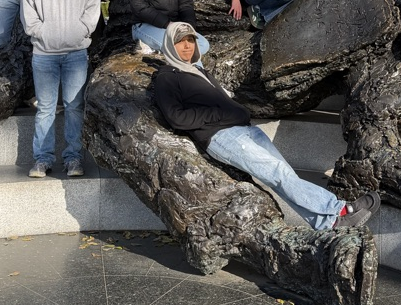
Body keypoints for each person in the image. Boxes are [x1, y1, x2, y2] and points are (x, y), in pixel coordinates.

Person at [154, 23, 380, 230]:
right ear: (169, 45)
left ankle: (328, 224)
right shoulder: (167, 77)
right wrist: (220, 113)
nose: (186, 46)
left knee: (285, 175)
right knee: (278, 173)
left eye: (190, 40)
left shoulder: (197, 71)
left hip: (244, 129)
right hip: (221, 135)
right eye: (180, 41)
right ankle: (338, 209)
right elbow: (176, 118)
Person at [20, 0, 101, 178]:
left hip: (76, 53)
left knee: (75, 106)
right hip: (44, 54)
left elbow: (93, 9)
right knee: (44, 108)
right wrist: (42, 32)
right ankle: (42, 160)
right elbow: (28, 13)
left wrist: (81, 30)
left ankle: (74, 159)